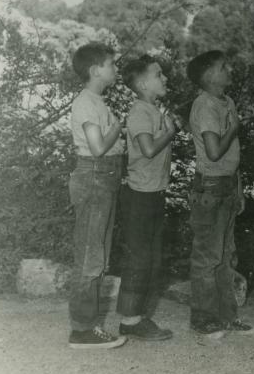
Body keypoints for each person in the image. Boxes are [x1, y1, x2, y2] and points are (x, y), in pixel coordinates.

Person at [186, 50, 254, 338]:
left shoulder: (227, 102)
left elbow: (232, 157)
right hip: (210, 189)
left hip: (227, 187)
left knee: (226, 256)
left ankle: (227, 317)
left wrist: (239, 190)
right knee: (207, 257)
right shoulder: (205, 105)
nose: (230, 70)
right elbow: (214, 152)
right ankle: (202, 320)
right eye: (223, 67)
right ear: (208, 76)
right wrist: (234, 128)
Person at [68, 42, 126, 349]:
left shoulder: (97, 102)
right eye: (111, 64)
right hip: (94, 176)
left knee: (98, 255)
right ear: (95, 70)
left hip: (104, 177)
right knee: (90, 256)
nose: (115, 68)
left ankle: (88, 325)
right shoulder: (86, 103)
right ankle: (82, 329)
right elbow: (98, 147)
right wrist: (118, 128)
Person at [116, 55, 176, 341]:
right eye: (158, 74)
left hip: (153, 194)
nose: (165, 78)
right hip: (139, 197)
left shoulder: (153, 110)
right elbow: (148, 149)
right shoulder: (140, 111)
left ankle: (137, 316)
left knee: (150, 259)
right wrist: (171, 132)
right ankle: (129, 320)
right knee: (139, 259)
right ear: (142, 84)